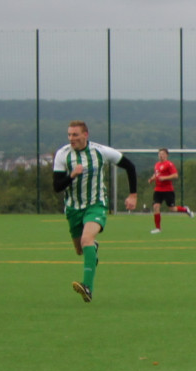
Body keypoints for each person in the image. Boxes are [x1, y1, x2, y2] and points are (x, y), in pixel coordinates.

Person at [52, 120, 138, 302]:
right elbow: (57, 187)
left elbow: (130, 166)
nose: (71, 138)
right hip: (73, 208)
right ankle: (93, 248)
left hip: (96, 204)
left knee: (86, 239)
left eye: (75, 135)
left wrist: (133, 195)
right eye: (69, 135)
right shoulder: (62, 154)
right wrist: (72, 175)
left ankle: (87, 287)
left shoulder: (100, 151)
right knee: (80, 249)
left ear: (85, 135)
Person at [148, 147, 195, 233]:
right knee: (156, 207)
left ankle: (185, 210)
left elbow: (175, 175)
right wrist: (152, 179)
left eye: (162, 154)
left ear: (166, 155)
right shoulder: (157, 164)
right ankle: (158, 228)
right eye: (159, 154)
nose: (161, 156)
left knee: (172, 208)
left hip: (168, 190)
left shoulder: (169, 164)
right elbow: (156, 174)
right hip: (158, 190)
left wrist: (164, 178)